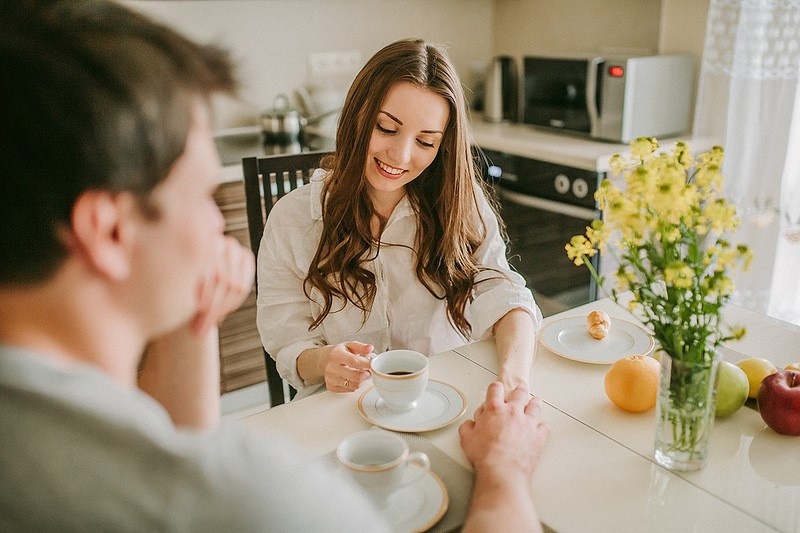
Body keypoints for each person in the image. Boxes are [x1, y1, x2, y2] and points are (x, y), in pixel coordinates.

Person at [0, 2, 550, 530]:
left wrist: (191, 325)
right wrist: (504, 468)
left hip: (446, 413)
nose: (219, 228)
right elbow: (196, 470)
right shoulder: (263, 493)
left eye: (426, 141)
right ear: (107, 229)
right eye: (201, 195)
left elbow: (180, 462)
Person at [257, 39, 543, 399]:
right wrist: (324, 361)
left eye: (425, 142)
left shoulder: (459, 202)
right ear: (357, 115)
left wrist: (514, 382)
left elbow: (505, 294)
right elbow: (287, 342)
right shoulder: (293, 218)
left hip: (443, 395)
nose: (401, 155)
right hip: (342, 405)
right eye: (387, 128)